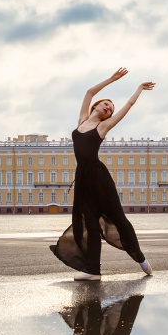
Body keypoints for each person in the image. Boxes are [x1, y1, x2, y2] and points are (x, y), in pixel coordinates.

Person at [51, 67, 155, 281]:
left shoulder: (103, 127)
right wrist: (111, 79)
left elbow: (128, 106)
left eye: (110, 108)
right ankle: (93, 271)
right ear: (96, 105)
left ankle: (141, 258)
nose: (108, 108)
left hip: (99, 179)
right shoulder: (81, 121)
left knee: (119, 219)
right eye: (106, 104)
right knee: (89, 223)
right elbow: (88, 92)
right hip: (82, 180)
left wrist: (138, 89)